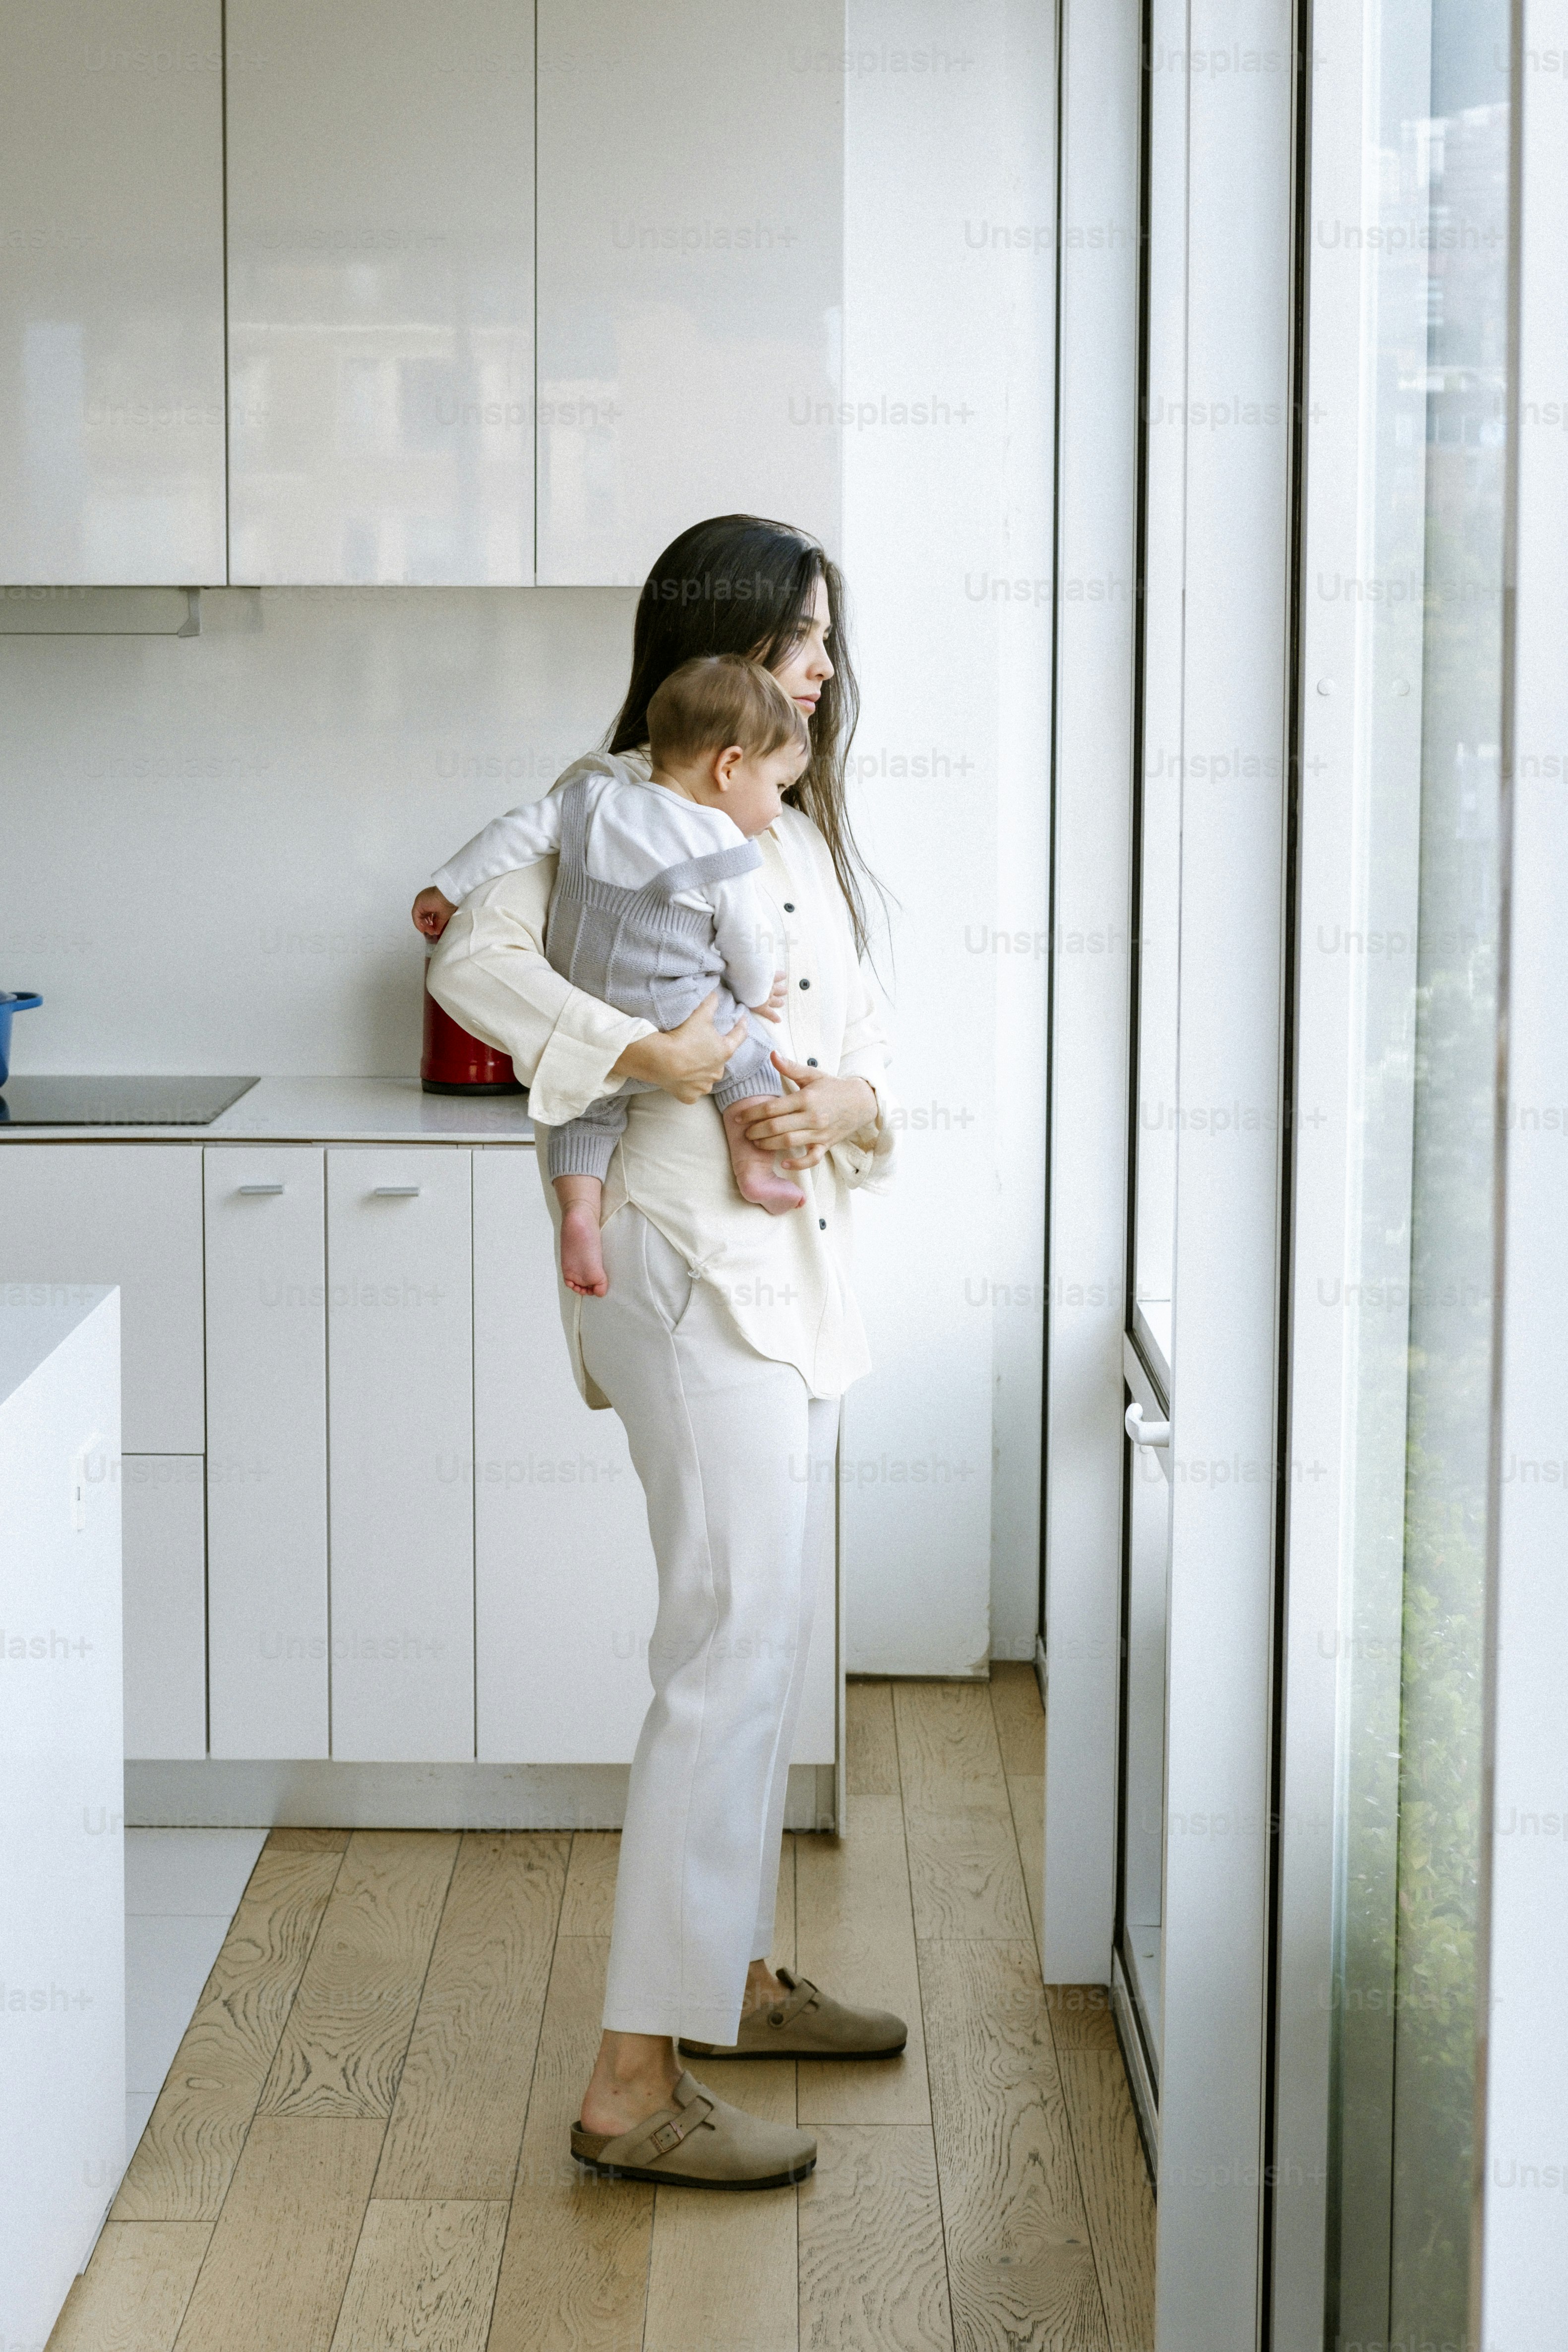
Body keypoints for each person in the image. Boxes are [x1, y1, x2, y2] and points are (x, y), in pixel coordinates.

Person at [420, 513, 904, 2192]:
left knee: (756, 1638)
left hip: (789, 1273)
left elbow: (858, 1069)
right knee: (723, 1642)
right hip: (687, 1268)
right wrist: (652, 1049)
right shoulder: (613, 797)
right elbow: (469, 957)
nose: (829, 671)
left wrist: (846, 1104)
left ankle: (733, 1979)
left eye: (831, 641)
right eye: (805, 641)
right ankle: (632, 2081)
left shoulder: (793, 816)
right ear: (728, 640)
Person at [422, 656, 814, 1301]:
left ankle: (579, 1211)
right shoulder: (722, 844)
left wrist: (447, 887)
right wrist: (751, 993)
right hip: (679, 1012)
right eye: (777, 787)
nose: (777, 810)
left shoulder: (587, 800)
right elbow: (747, 941)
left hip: (596, 1014)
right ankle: (754, 1170)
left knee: (585, 1113)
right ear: (729, 766)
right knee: (748, 1057)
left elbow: (509, 836)